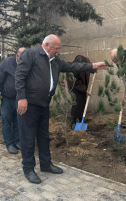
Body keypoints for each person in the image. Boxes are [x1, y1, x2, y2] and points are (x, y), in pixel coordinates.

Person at [15, 34, 108, 184]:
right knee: (27, 138)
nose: (58, 51)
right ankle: (28, 169)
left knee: (44, 136)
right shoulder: (31, 54)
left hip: (44, 104)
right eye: (56, 48)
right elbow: (19, 76)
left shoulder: (55, 60)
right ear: (46, 45)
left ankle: (46, 164)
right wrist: (21, 98)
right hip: (29, 105)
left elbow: (71, 66)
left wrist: (92, 66)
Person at [0, 47, 26, 154]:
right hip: (7, 98)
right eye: (23, 57)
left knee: (18, 121)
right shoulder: (7, 63)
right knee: (7, 121)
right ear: (17, 56)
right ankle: (10, 144)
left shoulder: (26, 64)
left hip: (20, 99)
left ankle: (18, 141)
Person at [66, 55, 91, 129]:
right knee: (76, 102)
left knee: (83, 101)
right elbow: (73, 82)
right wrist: (84, 89)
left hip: (83, 85)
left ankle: (81, 119)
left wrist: (94, 69)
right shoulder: (71, 70)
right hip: (74, 86)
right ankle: (73, 121)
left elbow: (90, 68)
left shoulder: (86, 61)